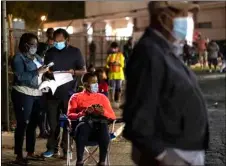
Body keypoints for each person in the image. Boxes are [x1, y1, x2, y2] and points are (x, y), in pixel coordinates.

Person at [123, 2, 209, 166]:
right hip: (171, 154)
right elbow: (139, 117)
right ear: (163, 18)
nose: (187, 21)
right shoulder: (149, 53)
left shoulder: (164, 49)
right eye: (183, 15)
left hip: (181, 150)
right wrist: (163, 156)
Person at [42, 28, 86, 158]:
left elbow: (83, 70)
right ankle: (52, 148)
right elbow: (46, 69)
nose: (57, 43)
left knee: (68, 123)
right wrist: (47, 72)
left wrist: (73, 72)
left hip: (69, 94)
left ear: (67, 39)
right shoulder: (49, 52)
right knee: (52, 123)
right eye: (55, 41)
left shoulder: (75, 52)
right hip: (53, 93)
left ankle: (66, 149)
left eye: (60, 41)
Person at [11, 33, 49, 164]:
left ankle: (30, 152)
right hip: (23, 93)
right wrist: (37, 72)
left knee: (33, 125)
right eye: (33, 44)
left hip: (37, 94)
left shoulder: (37, 57)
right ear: (25, 45)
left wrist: (45, 79)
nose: (35, 46)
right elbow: (20, 76)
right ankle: (19, 155)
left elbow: (42, 73)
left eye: (36, 44)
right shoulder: (18, 58)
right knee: (23, 124)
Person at [67, 72, 116, 166]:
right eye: (93, 82)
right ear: (86, 85)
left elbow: (113, 117)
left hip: (99, 130)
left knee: (103, 127)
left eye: (96, 82)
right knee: (83, 126)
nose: (96, 84)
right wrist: (83, 112)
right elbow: (70, 115)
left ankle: (102, 162)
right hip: (83, 130)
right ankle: (79, 161)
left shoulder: (102, 97)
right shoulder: (76, 97)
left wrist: (103, 112)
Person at [37, 27, 55, 139]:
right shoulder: (43, 47)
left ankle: (47, 129)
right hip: (43, 79)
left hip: (51, 80)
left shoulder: (55, 48)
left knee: (49, 106)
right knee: (43, 107)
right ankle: (43, 130)